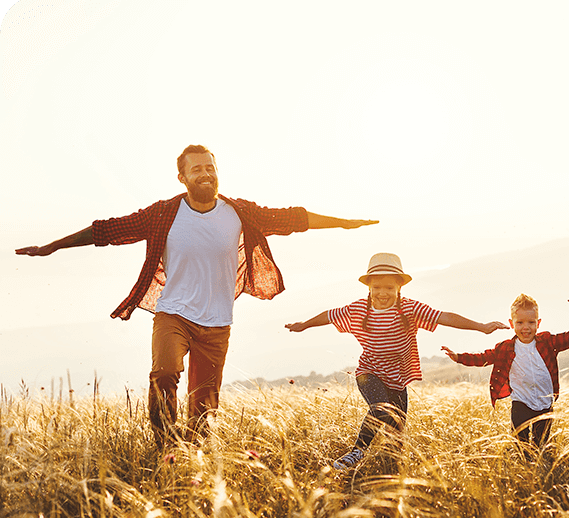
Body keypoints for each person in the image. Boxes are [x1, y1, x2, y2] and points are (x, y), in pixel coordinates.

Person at [15, 144, 378, 448]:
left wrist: (346, 223)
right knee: (164, 373)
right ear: (183, 178)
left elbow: (293, 219)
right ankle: (165, 446)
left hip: (218, 324)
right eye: (197, 169)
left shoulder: (240, 212)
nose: (205, 174)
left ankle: (191, 459)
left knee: (204, 407)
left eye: (210, 167)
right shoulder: (163, 214)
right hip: (173, 314)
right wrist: (52, 247)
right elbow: (108, 230)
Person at [285, 252, 508, 470]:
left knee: (396, 437)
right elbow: (329, 315)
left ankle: (389, 477)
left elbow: (444, 316)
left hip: (398, 380)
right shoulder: (359, 309)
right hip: (368, 372)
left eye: (389, 288)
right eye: (377, 287)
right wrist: (304, 324)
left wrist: (481, 327)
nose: (383, 293)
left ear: (399, 287)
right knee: (381, 408)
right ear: (369, 288)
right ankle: (358, 451)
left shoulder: (410, 308)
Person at [442, 294, 569, 447]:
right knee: (520, 442)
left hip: (545, 403)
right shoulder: (507, 348)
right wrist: (458, 357)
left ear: (538, 323)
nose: (525, 327)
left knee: (539, 444)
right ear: (512, 323)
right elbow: (483, 358)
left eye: (531, 322)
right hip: (520, 403)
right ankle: (522, 468)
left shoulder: (547, 342)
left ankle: (539, 469)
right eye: (520, 322)